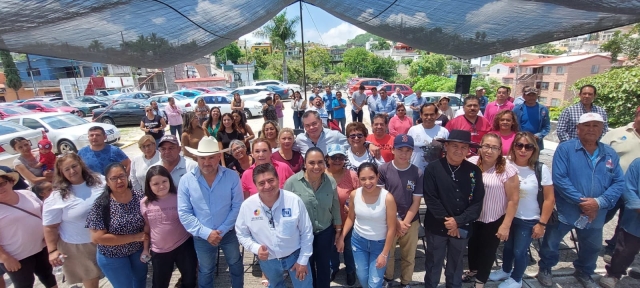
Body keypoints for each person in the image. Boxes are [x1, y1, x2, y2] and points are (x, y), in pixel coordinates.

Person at [536, 112, 625, 288]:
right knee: (551, 243)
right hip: (566, 210)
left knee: (592, 247)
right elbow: (560, 178)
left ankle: (584, 272)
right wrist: (584, 202)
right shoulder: (566, 149)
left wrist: (598, 203)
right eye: (586, 125)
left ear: (602, 129)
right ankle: (545, 269)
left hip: (596, 213)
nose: (591, 129)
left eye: (595, 126)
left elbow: (618, 181)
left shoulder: (610, 153)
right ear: (578, 129)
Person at [489, 132, 555, 288]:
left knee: (520, 251)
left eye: (528, 146)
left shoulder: (540, 169)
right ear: (513, 146)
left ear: (534, 149)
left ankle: (517, 279)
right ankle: (506, 270)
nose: (523, 150)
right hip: (508, 216)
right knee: (508, 247)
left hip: (528, 218)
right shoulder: (505, 163)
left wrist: (542, 224)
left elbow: (549, 199)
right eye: (519, 145)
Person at [177, 136, 244, 288]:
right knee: (206, 270)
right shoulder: (186, 180)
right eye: (202, 158)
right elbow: (184, 212)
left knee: (236, 265)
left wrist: (221, 230)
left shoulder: (232, 176)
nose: (206, 162)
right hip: (202, 236)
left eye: (211, 157)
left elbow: (237, 206)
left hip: (228, 232)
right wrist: (206, 233)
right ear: (196, 158)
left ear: (219, 157)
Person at [422, 130, 485, 288]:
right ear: (446, 146)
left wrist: (458, 222)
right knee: (433, 263)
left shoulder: (474, 171)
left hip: (462, 226)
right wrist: (448, 222)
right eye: (455, 146)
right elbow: (431, 198)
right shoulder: (433, 169)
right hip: (437, 227)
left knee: (456, 265)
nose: (459, 150)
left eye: (464, 147)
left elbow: (477, 201)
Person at [235, 163, 314, 288]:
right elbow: (241, 233)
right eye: (261, 183)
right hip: (268, 261)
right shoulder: (247, 206)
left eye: (271, 180)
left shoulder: (294, 200)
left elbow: (307, 232)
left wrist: (303, 260)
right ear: (255, 185)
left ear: (278, 179)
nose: (267, 186)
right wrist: (255, 248)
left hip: (295, 255)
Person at [463, 133, 519, 288]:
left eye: (494, 147)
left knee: (488, 251)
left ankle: (481, 281)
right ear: (480, 146)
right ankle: (474, 271)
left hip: (494, 218)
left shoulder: (507, 169)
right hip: (474, 216)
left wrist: (505, 225)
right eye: (486, 146)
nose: (489, 151)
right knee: (473, 247)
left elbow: (513, 200)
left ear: (500, 150)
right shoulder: (472, 163)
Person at [44, 153, 104, 288]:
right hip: (79, 246)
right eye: (67, 169)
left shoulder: (100, 180)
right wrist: (52, 250)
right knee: (91, 281)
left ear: (81, 164)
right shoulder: (57, 196)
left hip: (106, 239)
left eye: (74, 166)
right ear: (61, 173)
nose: (72, 171)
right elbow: (50, 227)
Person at [284, 148, 341, 288]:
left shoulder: (331, 182)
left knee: (323, 267)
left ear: (325, 162)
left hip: (325, 232)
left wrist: (338, 231)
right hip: (301, 235)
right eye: (312, 162)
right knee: (306, 266)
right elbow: (285, 210)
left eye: (320, 162)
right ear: (304, 164)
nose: (316, 167)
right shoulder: (292, 183)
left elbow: (335, 206)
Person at [336, 163, 397, 288]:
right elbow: (350, 218)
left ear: (377, 176)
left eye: (371, 178)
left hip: (379, 245)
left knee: (374, 283)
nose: (367, 182)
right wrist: (342, 237)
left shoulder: (387, 198)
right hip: (359, 242)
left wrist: (384, 254)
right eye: (363, 179)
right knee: (363, 278)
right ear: (358, 179)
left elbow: (392, 228)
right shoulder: (354, 194)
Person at [86, 163, 147, 288]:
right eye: (114, 178)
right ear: (107, 182)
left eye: (122, 176)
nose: (119, 181)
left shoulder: (140, 197)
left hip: (137, 250)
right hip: (112, 255)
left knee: (140, 281)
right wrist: (134, 237)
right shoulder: (101, 205)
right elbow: (97, 238)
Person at [141, 166, 197, 288]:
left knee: (189, 280)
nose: (161, 186)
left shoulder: (179, 196)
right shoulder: (144, 203)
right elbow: (147, 227)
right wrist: (145, 249)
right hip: (159, 249)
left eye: (164, 181)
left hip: (183, 244)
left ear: (169, 180)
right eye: (155, 183)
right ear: (149, 185)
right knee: (159, 283)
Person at [379, 135, 424, 288]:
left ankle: (406, 282)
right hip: (389, 220)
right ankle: (389, 279)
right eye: (400, 150)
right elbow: (382, 199)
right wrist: (396, 221)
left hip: (411, 221)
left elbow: (416, 202)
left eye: (408, 150)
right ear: (393, 150)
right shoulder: (384, 169)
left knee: (409, 255)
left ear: (412, 152)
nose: (404, 154)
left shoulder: (417, 172)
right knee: (389, 253)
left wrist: (405, 223)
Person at [0, 169, 57, 288]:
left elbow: (45, 215)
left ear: (11, 181)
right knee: (24, 285)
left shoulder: (27, 194)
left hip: (42, 247)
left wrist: (50, 239)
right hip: (16, 256)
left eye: (2, 183)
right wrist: (5, 257)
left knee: (49, 277)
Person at [599, 106, 640, 256]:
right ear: (636, 114)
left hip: (635, 190)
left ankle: (613, 248)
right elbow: (599, 154)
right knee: (603, 214)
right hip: (612, 185)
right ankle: (585, 236)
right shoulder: (616, 133)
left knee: (625, 222)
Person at [599, 157, 640, 288]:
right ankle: (614, 274)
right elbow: (628, 189)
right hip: (636, 218)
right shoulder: (638, 164)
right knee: (625, 250)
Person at [324, 144, 359, 286]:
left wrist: (351, 201)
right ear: (327, 158)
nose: (337, 160)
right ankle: (334, 267)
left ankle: (351, 270)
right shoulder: (322, 175)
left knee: (349, 247)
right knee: (331, 246)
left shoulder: (352, 175)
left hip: (348, 220)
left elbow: (360, 192)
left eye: (341, 157)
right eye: (334, 157)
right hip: (327, 220)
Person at [407, 103, 449, 172]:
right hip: (415, 172)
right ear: (421, 115)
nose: (429, 117)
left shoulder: (444, 132)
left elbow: (447, 153)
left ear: (436, 115)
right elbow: (407, 150)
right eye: (426, 115)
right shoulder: (413, 130)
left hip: (435, 173)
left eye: (432, 114)